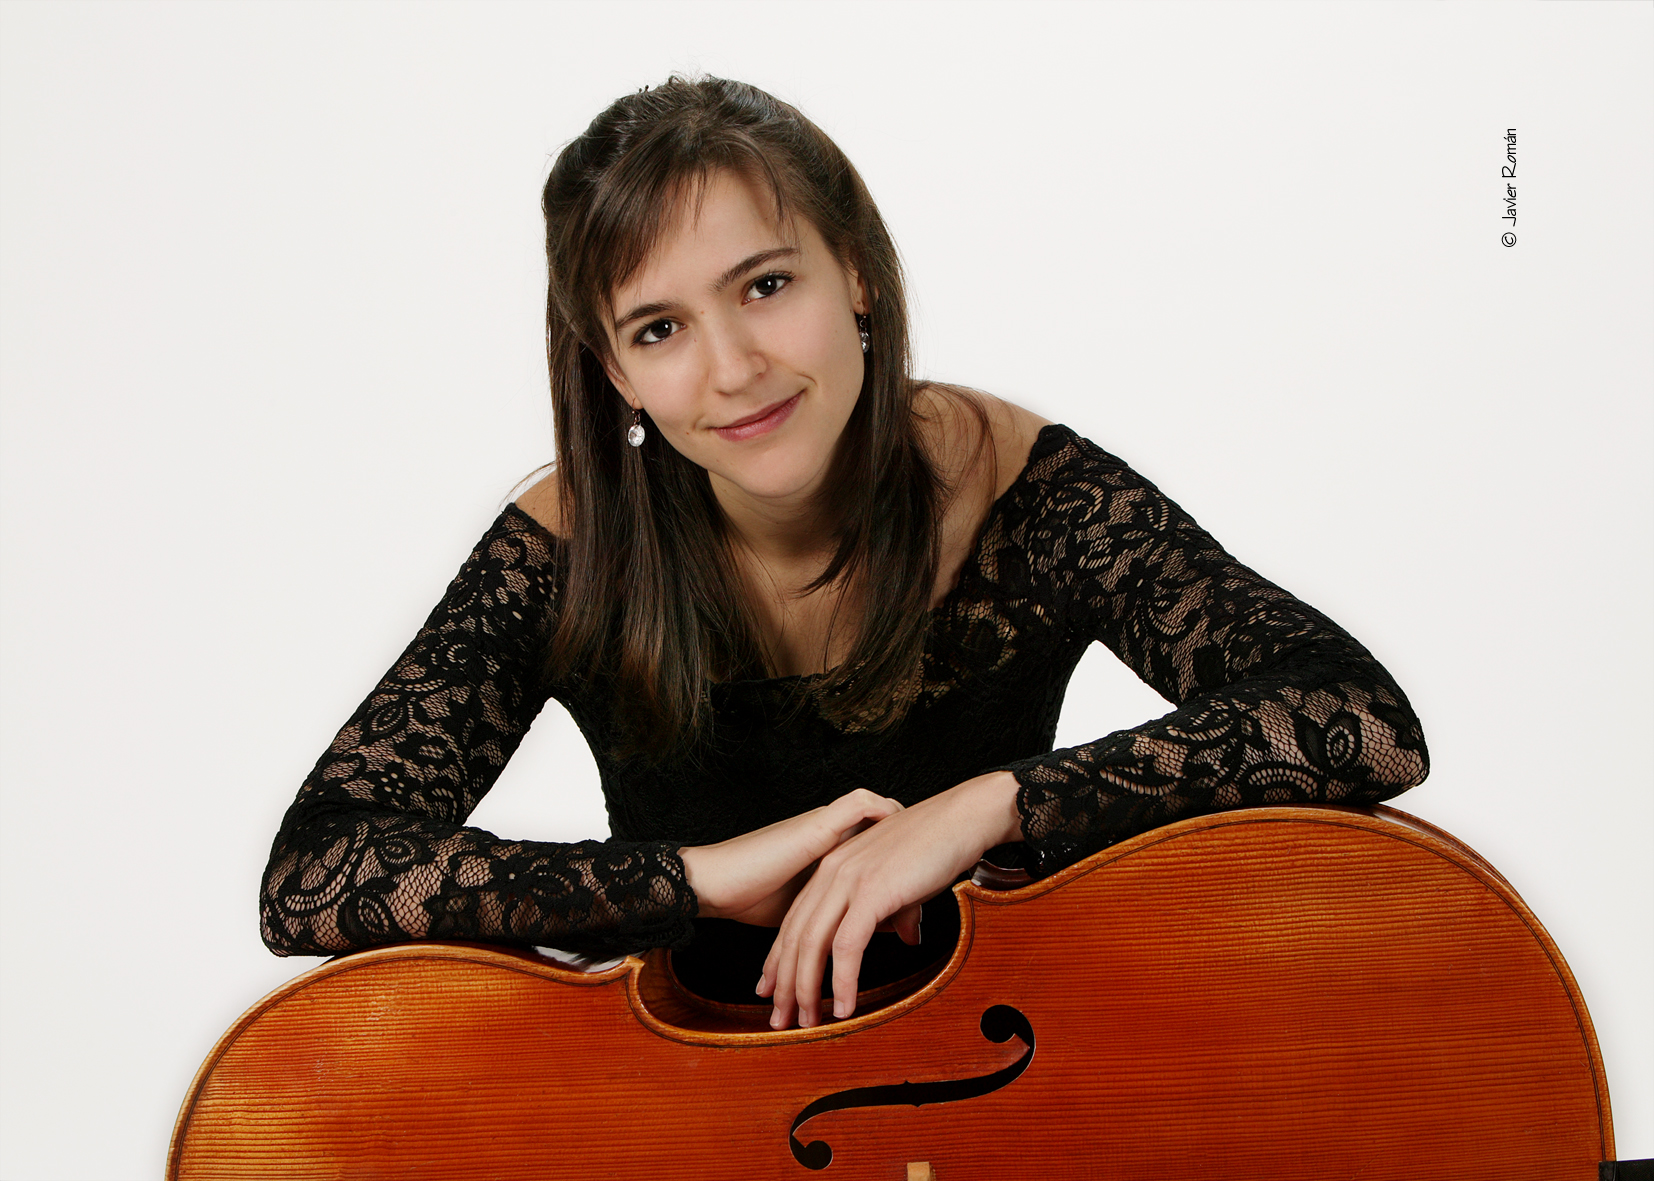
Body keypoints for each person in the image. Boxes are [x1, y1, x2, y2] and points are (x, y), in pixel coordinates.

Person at [259, 76, 1429, 1033]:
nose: (733, 369)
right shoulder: (571, 539)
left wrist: (989, 807)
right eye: (659, 328)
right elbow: (315, 871)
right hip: (679, 1109)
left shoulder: (1019, 482)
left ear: (856, 272)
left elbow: (1359, 717)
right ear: (615, 372)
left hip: (1027, 1082)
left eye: (766, 285)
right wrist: (695, 878)